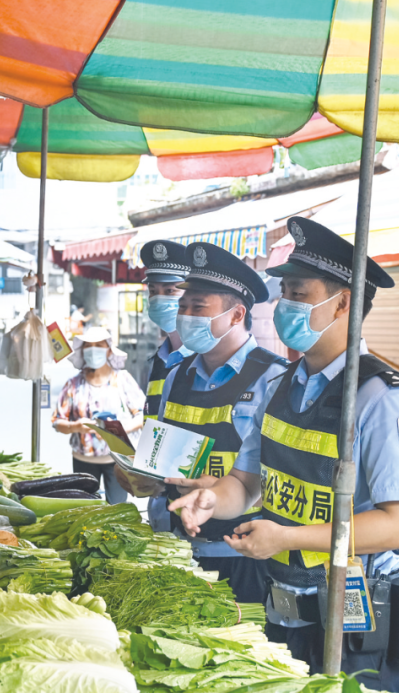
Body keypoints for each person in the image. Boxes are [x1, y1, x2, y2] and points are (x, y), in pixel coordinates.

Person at [169, 218, 399, 692]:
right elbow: (247, 480)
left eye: (298, 294)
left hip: (354, 628)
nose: (284, 306)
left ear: (343, 304)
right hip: (281, 613)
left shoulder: (380, 398)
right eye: (283, 293)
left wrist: (288, 537)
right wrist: (213, 500)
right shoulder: (276, 386)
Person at [122, 243, 288, 607]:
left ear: (235, 315)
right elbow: (162, 460)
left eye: (198, 308)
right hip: (179, 549)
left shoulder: (275, 378)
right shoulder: (175, 375)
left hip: (246, 556)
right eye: (183, 307)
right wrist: (145, 478)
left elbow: (278, 475)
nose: (185, 316)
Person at [122, 241, 192, 520]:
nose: (160, 299)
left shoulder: (202, 359)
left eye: (170, 290)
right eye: (153, 291)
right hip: (160, 510)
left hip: (196, 513)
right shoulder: (160, 360)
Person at [53, 326, 145, 504]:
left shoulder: (123, 379)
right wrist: (76, 426)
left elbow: (143, 415)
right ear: (83, 350)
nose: (93, 349)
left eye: (99, 345)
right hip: (83, 459)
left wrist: (121, 428)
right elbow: (57, 421)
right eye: (89, 345)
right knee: (86, 508)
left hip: (118, 459)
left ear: (109, 350)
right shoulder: (73, 384)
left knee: (117, 509)